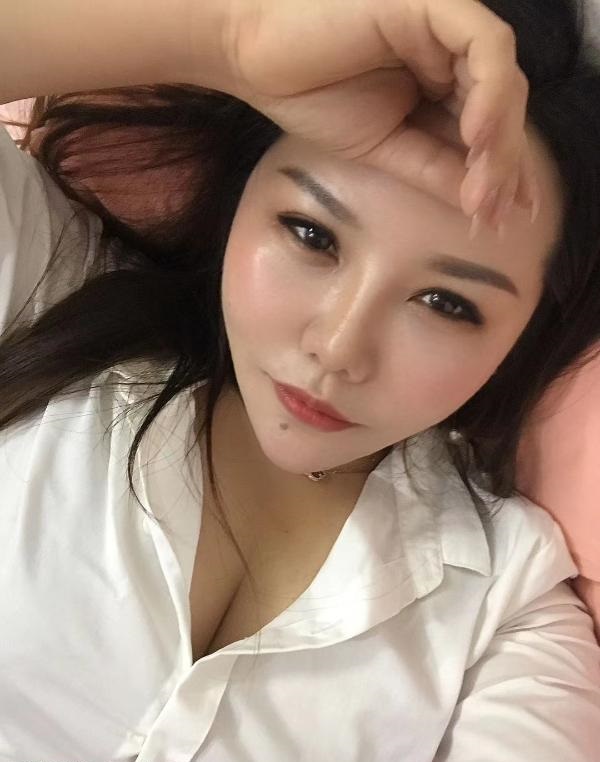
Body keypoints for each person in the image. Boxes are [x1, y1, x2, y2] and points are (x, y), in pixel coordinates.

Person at [0, 1, 599, 761]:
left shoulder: (507, 607)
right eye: (311, 234)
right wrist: (229, 44)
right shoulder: (43, 282)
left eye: (447, 304)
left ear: (524, 337)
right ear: (240, 195)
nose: (338, 347)